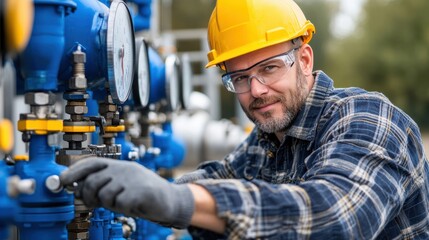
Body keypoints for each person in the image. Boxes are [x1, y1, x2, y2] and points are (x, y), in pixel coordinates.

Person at [60, 0, 429, 239]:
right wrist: (130, 185)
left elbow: (334, 216)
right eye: (239, 78)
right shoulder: (269, 139)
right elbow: (218, 177)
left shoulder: (370, 118)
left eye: (269, 68)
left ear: (304, 60)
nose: (256, 90)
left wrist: (179, 200)